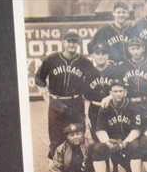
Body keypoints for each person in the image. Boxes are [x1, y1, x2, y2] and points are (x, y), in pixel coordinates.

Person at [34, 30, 100, 158]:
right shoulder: (52, 59)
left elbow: (95, 78)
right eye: (69, 41)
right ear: (63, 42)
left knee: (78, 136)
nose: (72, 44)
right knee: (56, 138)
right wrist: (46, 96)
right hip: (56, 102)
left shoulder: (84, 62)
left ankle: (78, 166)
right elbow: (39, 78)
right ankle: (56, 166)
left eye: (75, 42)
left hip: (76, 102)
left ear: (78, 44)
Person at [90, 81, 143, 172]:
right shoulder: (105, 107)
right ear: (110, 93)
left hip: (128, 140)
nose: (118, 94)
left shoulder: (133, 106)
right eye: (115, 91)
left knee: (135, 146)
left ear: (125, 92)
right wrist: (107, 142)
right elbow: (100, 129)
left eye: (120, 91)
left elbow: (137, 129)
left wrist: (125, 142)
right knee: (98, 148)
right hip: (111, 140)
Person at [121, 38, 147, 102]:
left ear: (143, 49)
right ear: (129, 50)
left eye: (138, 49)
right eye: (133, 49)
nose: (135, 52)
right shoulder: (124, 65)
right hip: (129, 100)